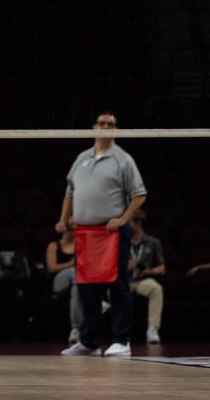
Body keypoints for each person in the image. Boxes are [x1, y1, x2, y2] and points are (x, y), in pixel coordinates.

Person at [57, 112, 147, 358]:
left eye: (110, 124)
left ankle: (121, 340)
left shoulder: (123, 159)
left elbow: (139, 194)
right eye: (101, 123)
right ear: (94, 126)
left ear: (115, 129)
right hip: (85, 234)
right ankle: (89, 341)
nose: (105, 126)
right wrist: (63, 219)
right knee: (86, 289)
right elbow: (70, 192)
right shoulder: (81, 158)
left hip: (112, 233)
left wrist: (122, 219)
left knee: (117, 286)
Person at [128, 210, 165, 344]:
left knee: (156, 288)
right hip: (126, 280)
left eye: (129, 223)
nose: (126, 226)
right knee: (112, 289)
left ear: (138, 223)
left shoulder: (153, 242)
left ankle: (152, 329)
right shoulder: (123, 242)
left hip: (143, 280)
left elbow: (161, 268)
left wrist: (148, 271)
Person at [46, 226, 82, 344]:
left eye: (74, 229)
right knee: (74, 273)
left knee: (77, 288)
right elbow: (52, 268)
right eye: (70, 229)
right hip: (59, 279)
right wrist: (71, 264)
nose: (72, 231)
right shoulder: (54, 245)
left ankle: (75, 328)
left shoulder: (79, 244)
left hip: (77, 280)